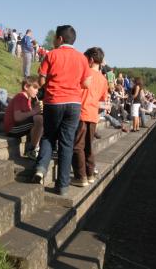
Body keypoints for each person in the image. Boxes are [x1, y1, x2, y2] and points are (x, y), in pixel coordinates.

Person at [32, 25, 92, 196]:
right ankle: (63, 186)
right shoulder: (82, 58)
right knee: (67, 143)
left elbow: (42, 81)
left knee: (49, 136)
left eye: (54, 38)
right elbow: (86, 84)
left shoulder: (51, 54)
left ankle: (41, 168)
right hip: (74, 104)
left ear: (59, 39)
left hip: (54, 101)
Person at [71, 47, 108, 187]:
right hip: (93, 115)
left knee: (77, 146)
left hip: (81, 113)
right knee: (88, 146)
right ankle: (90, 173)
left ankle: (81, 177)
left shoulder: (84, 73)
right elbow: (103, 97)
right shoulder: (103, 79)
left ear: (91, 60)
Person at [3, 76, 44, 159]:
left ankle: (37, 148)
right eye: (35, 88)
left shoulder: (28, 99)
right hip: (12, 128)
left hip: (19, 126)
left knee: (42, 119)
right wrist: (34, 111)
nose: (37, 91)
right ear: (26, 87)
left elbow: (29, 116)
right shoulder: (20, 97)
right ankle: (32, 150)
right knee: (39, 119)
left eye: (38, 89)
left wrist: (37, 110)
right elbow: (17, 117)